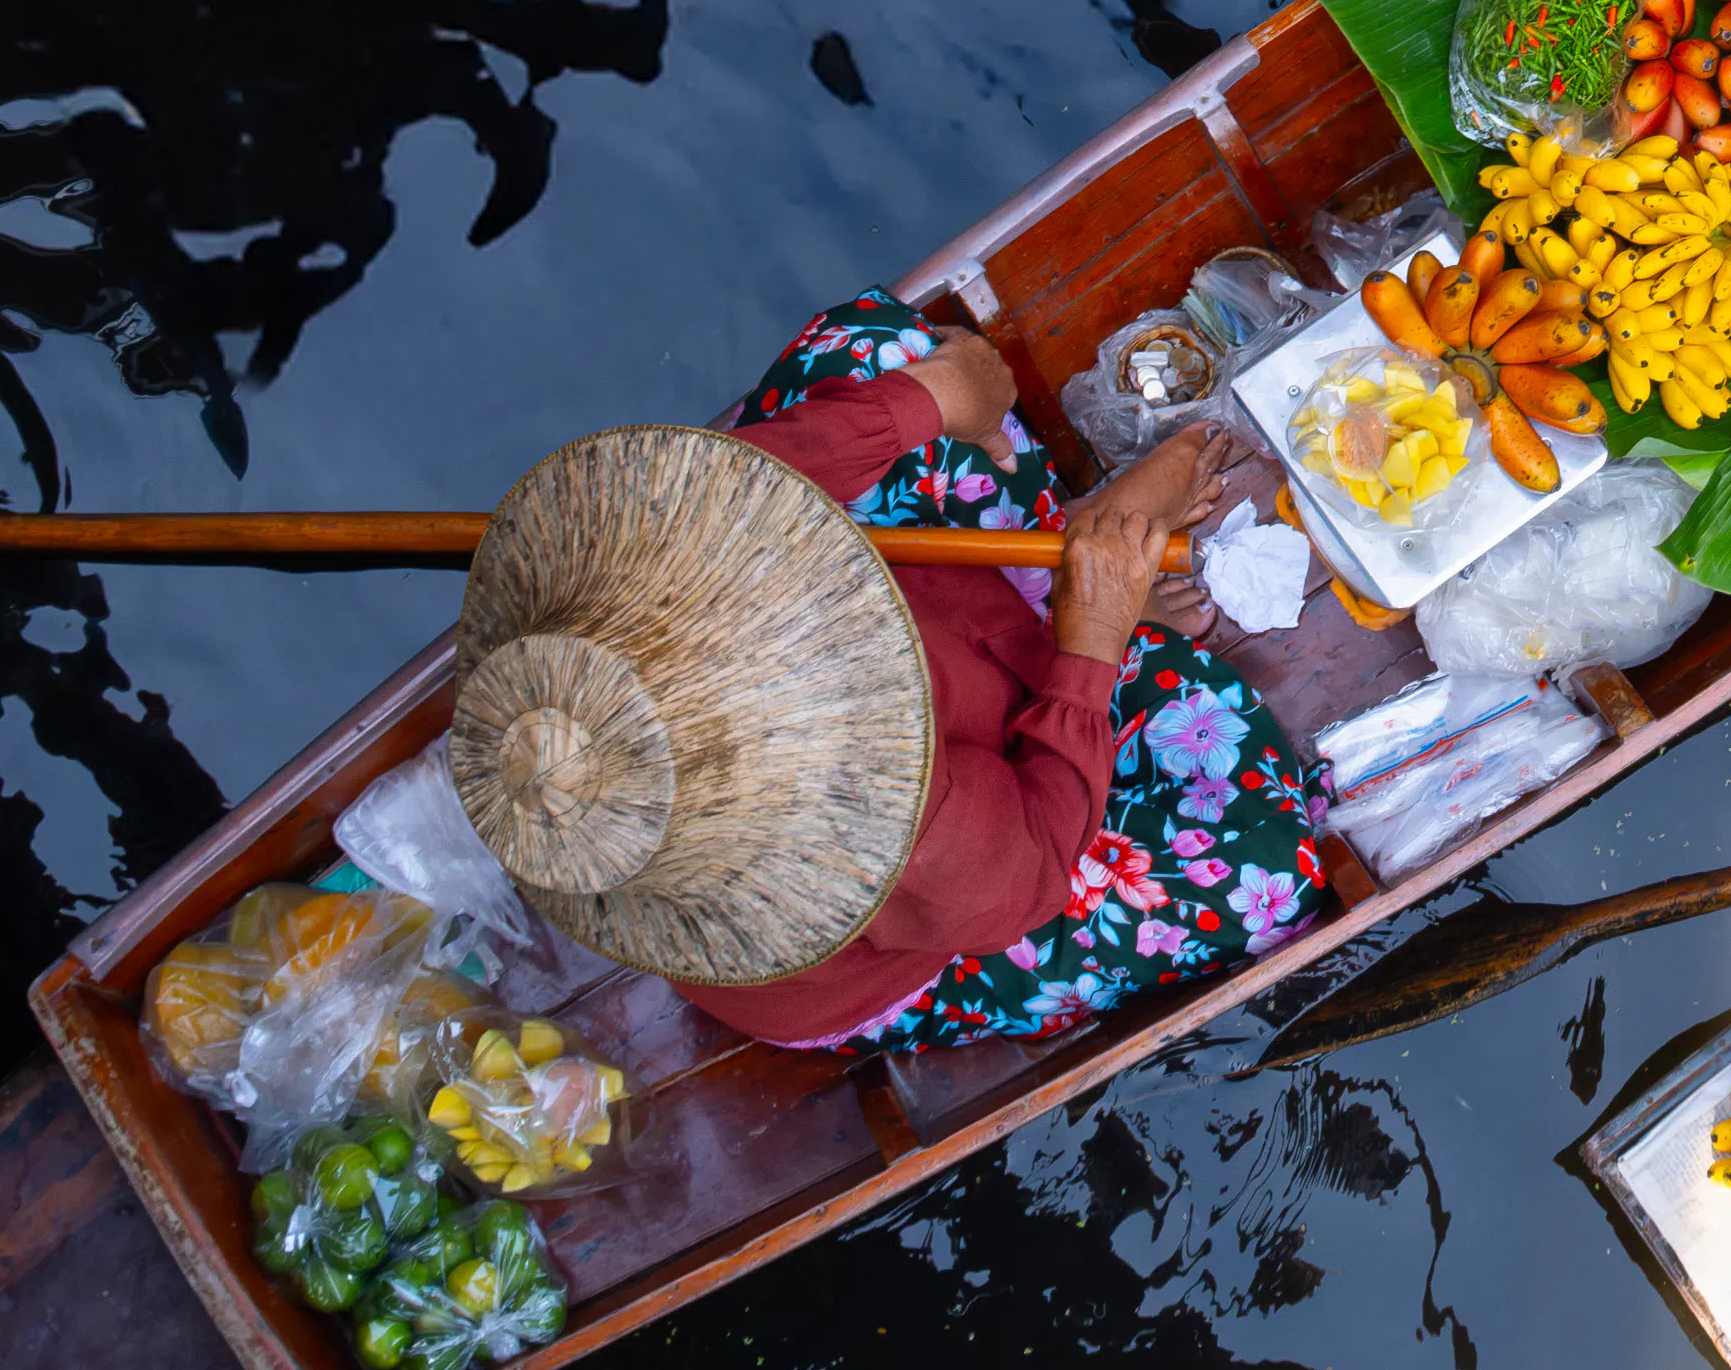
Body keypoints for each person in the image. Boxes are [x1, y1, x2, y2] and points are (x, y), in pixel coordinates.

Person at [474, 290, 1328, 1048]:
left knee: (870, 350)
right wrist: (1093, 641)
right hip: (956, 867)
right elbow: (1022, 872)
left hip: (923, 618)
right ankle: (1075, 588)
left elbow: (745, 478)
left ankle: (1056, 564)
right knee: (1266, 862)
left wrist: (932, 401)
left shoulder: (612, 580)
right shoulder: (862, 809)